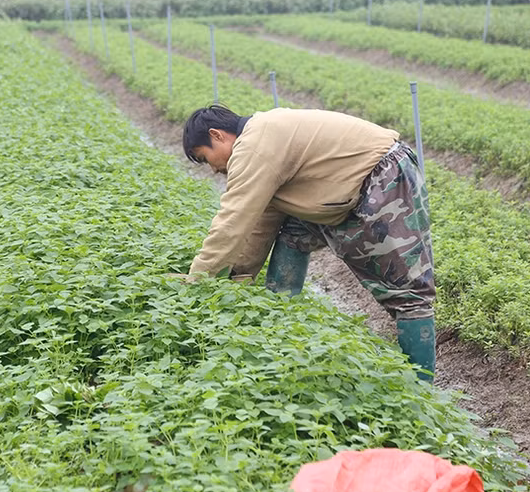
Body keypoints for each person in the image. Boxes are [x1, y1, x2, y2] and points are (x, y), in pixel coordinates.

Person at [182, 104, 436, 381]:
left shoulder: (253, 147)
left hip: (382, 178)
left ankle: (421, 390)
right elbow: (261, 222)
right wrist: (239, 278)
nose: (213, 169)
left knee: (408, 294)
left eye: (205, 158)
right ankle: (280, 323)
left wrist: (197, 281)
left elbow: (232, 220)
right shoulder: (260, 141)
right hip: (343, 185)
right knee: (294, 234)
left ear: (217, 135)